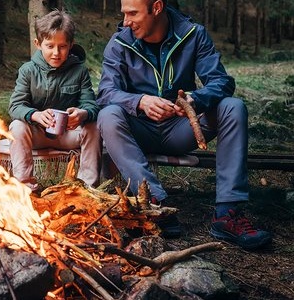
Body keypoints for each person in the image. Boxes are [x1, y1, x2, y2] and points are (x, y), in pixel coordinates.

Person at [96, 0, 271, 249]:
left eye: (132, 13)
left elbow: (221, 82)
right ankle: (154, 203)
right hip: (138, 131)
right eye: (124, 14)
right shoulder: (119, 43)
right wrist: (140, 101)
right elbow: (104, 92)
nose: (125, 21)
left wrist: (194, 99)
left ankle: (227, 213)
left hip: (182, 129)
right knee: (108, 114)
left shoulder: (193, 34)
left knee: (233, 107)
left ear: (156, 8)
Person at [8, 10, 101, 195]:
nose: (56, 53)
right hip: (38, 134)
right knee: (17, 126)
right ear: (38, 44)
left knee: (94, 126)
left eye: (63, 46)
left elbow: (91, 105)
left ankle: (87, 189)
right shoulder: (28, 71)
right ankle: (25, 189)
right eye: (50, 46)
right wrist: (36, 115)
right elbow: (15, 106)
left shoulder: (79, 71)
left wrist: (82, 114)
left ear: (71, 45)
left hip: (68, 134)